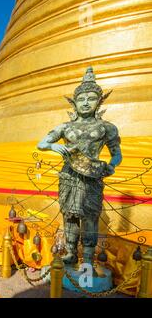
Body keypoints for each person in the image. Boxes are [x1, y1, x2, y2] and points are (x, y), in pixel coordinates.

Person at [37, 67, 122, 265]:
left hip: (92, 176)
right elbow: (41, 144)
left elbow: (117, 154)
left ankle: (88, 259)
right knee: (69, 215)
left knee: (90, 217)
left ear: (99, 101)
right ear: (74, 103)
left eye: (91, 98)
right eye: (81, 99)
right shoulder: (65, 127)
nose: (85, 103)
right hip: (69, 175)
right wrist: (53, 146)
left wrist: (111, 166)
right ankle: (71, 252)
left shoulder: (106, 127)